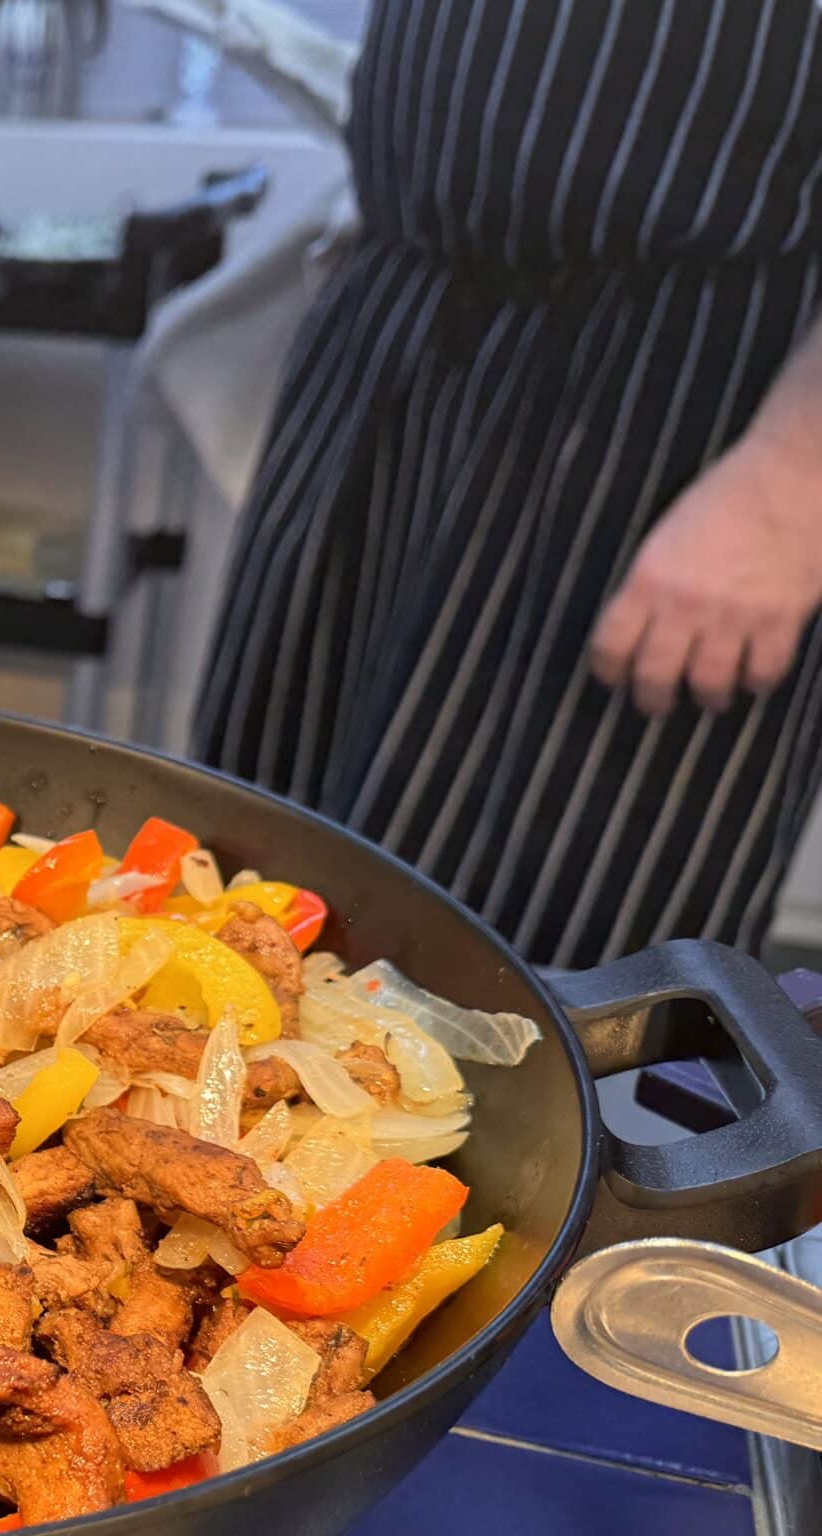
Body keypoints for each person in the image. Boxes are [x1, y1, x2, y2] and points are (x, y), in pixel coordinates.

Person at [191, 0, 822, 968]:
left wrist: (793, 479)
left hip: (682, 387)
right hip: (398, 317)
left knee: (528, 980)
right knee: (243, 888)